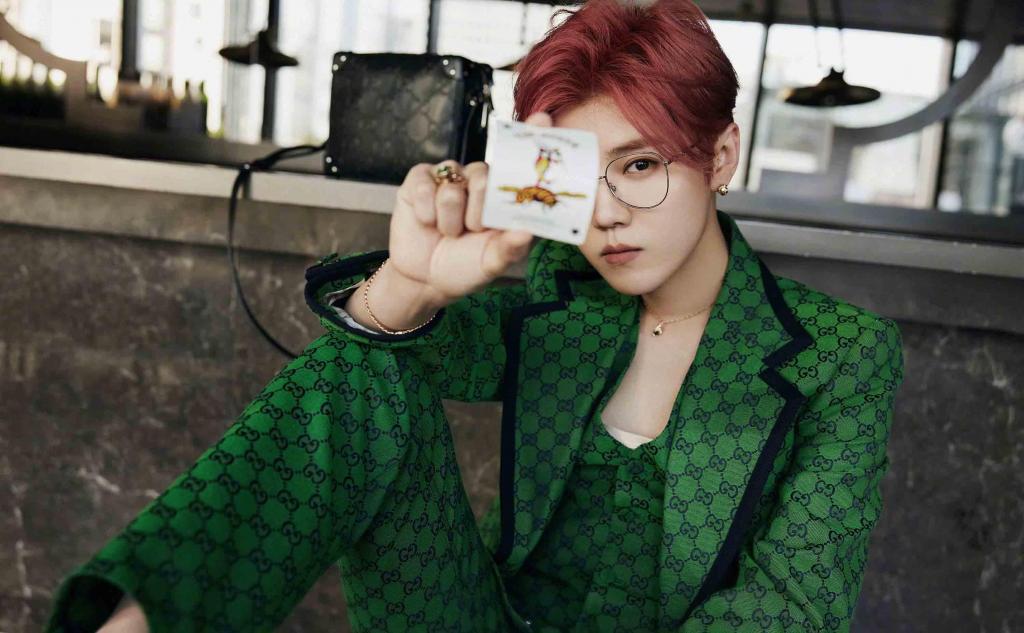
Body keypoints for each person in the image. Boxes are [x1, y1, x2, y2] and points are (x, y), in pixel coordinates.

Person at [44, 0, 905, 631]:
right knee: (363, 369)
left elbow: (793, 606)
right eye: (581, 174)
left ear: (720, 155)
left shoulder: (840, 351)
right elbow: (385, 363)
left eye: (640, 166)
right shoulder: (560, 288)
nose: (606, 214)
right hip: (477, 618)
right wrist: (410, 280)